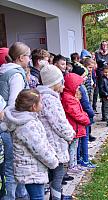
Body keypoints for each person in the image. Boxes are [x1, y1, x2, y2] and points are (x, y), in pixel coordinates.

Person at [1, 89, 59, 200]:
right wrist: (53, 161)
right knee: (37, 196)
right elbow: (39, 148)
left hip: (30, 168)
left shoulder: (27, 119)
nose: (42, 104)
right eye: (40, 102)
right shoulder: (27, 126)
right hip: (32, 170)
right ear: (33, 106)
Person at [36, 65, 75, 200]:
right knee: (58, 171)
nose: (63, 83)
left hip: (48, 140)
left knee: (53, 171)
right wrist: (70, 134)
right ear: (54, 82)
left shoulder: (42, 96)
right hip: (54, 141)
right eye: (61, 81)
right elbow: (58, 122)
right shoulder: (50, 99)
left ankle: (56, 195)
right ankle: (56, 197)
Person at [0, 42, 30, 200]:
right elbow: (14, 105)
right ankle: (13, 196)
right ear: (20, 57)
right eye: (28, 56)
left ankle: (20, 194)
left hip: (3, 125)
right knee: (11, 167)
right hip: (7, 127)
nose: (29, 60)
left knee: (8, 166)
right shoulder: (16, 75)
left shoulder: (4, 71)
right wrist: (11, 127)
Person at [61, 73, 91, 170]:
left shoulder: (71, 96)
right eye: (77, 85)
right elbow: (76, 113)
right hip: (74, 127)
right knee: (73, 148)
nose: (79, 87)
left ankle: (75, 163)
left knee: (75, 146)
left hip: (76, 127)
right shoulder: (68, 98)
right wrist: (86, 119)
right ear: (72, 85)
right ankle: (72, 165)